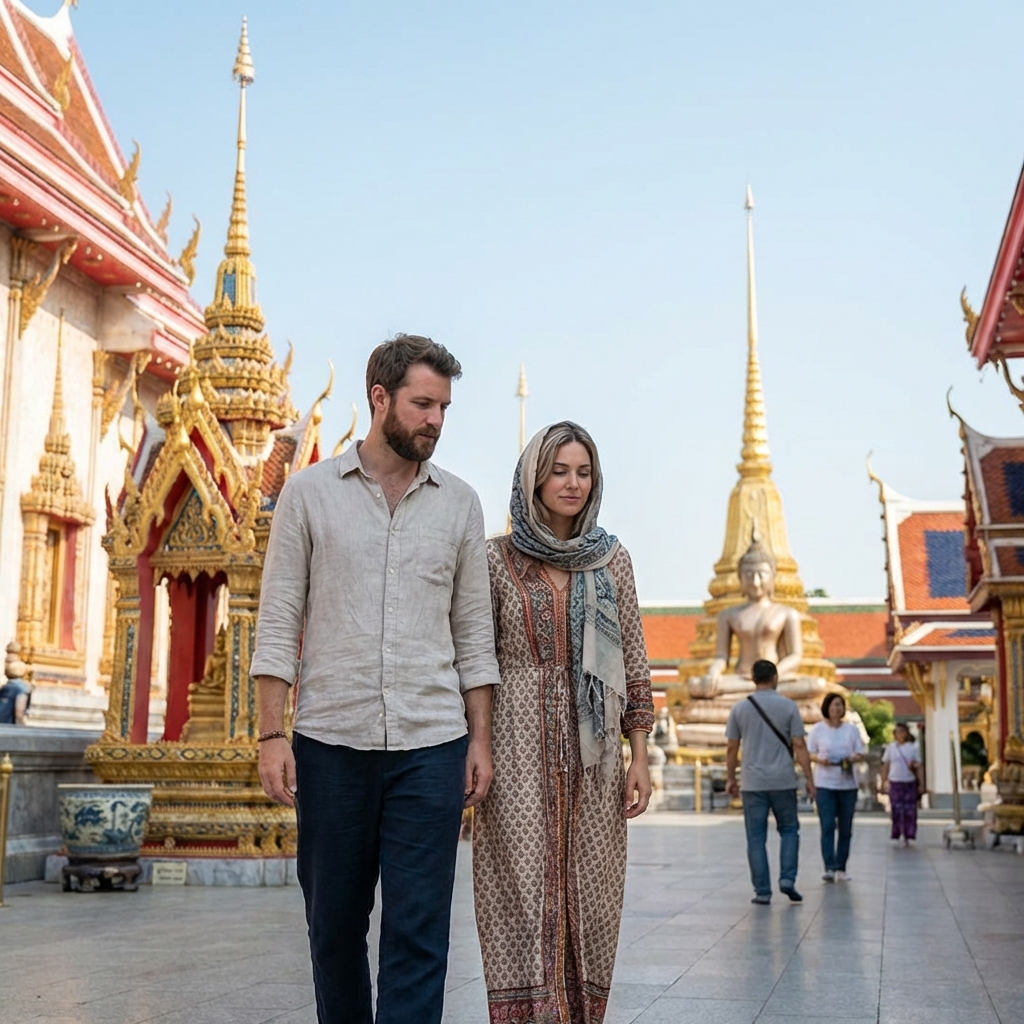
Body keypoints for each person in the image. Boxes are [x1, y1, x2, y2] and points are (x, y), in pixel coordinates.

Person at [251, 335, 500, 1024]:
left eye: (444, 408)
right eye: (422, 404)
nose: (435, 421)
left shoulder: (460, 505)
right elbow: (277, 623)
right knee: (333, 929)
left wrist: (479, 740)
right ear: (380, 398)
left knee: (419, 935)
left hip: (432, 743)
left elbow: (475, 637)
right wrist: (273, 734)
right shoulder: (307, 496)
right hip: (331, 743)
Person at [472, 421, 654, 1024]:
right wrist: (476, 746)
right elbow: (475, 658)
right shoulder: (495, 560)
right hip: (514, 741)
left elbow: (632, 660)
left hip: (595, 757)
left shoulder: (613, 561)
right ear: (534, 477)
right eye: (559, 470)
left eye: (583, 472)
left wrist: (640, 758)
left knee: (593, 896)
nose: (572, 483)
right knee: (519, 891)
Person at [726, 658, 816, 905]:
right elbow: (799, 744)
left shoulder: (739, 708)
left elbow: (732, 747)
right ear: (776, 677)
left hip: (753, 782)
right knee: (789, 830)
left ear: (753, 679)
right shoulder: (789, 706)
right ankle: (787, 879)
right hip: (783, 780)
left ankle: (762, 891)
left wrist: (730, 778)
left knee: (756, 837)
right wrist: (809, 778)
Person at [807, 692, 865, 881]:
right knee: (828, 825)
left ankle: (841, 866)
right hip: (825, 783)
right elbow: (809, 753)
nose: (836, 708)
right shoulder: (817, 730)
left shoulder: (851, 730)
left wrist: (852, 758)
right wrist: (819, 759)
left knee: (846, 828)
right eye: (833, 705)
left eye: (839, 705)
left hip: (847, 783)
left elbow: (860, 752)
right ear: (826, 708)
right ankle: (829, 866)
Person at [881, 723, 924, 846]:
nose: (900, 734)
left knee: (909, 810)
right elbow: (885, 765)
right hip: (895, 781)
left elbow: (919, 766)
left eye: (902, 732)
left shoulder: (913, 748)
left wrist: (921, 783)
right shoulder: (891, 748)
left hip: (909, 781)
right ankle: (897, 832)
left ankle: (908, 834)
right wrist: (884, 781)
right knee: (896, 809)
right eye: (898, 732)